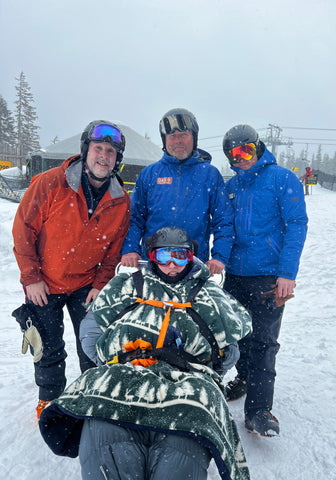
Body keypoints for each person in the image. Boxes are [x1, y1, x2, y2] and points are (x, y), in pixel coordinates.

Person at [39, 227, 252, 480]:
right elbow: (92, 329)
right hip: (125, 371)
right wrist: (112, 361)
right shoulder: (127, 286)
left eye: (180, 257)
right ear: (152, 257)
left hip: (186, 381)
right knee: (109, 444)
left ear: (191, 257)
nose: (172, 265)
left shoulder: (209, 294)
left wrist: (201, 368)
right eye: (164, 257)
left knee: (179, 453)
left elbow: (228, 350)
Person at [12, 120, 131, 419]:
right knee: (48, 347)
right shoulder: (51, 183)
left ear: (118, 160)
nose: (103, 156)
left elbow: (114, 249)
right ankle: (50, 400)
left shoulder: (120, 200)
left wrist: (101, 284)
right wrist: (31, 278)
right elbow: (23, 230)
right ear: (86, 150)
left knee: (92, 344)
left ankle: (91, 395)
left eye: (111, 152)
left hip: (86, 285)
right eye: (98, 149)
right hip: (45, 283)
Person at [222, 124, 308, 437]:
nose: (242, 157)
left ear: (258, 147)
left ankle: (259, 411)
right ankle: (244, 378)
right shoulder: (230, 186)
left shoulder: (281, 179)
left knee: (263, 341)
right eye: (235, 152)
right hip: (234, 274)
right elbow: (222, 226)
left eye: (248, 149)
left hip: (269, 276)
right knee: (237, 334)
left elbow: (297, 224)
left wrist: (287, 274)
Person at [121, 107, 234, 276]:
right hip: (154, 265)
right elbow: (134, 218)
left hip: (193, 267)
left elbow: (223, 221)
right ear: (164, 140)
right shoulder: (150, 174)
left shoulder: (210, 175)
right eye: (172, 136)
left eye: (184, 135)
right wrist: (130, 249)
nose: (178, 140)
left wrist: (219, 257)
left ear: (194, 137)